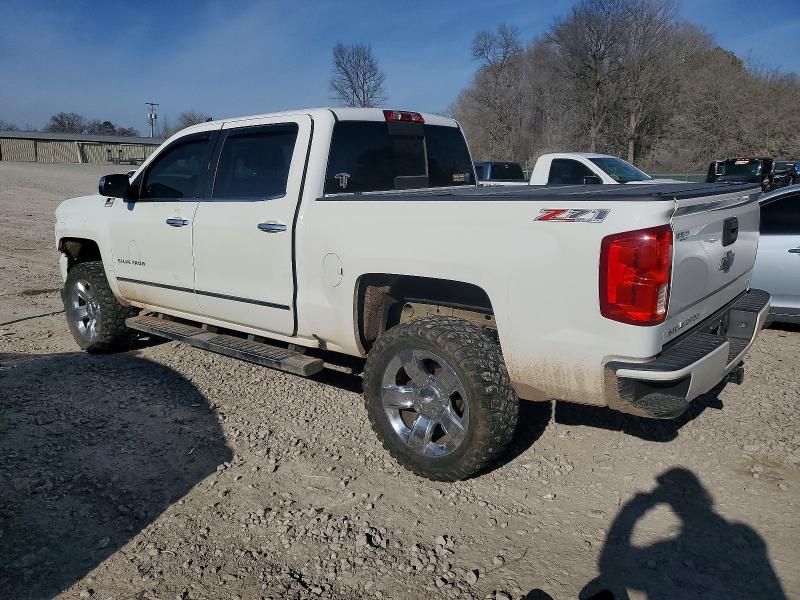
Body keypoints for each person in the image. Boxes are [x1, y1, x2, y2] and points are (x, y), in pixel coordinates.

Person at [580, 468, 786, 600]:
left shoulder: (670, 548)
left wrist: (635, 507)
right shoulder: (743, 534)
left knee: (602, 590)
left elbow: (610, 564)